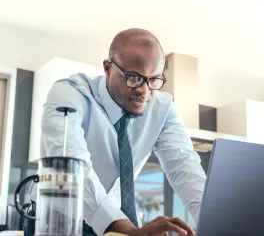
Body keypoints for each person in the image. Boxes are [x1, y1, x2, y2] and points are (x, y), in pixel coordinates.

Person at [40, 28, 206, 236]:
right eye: (134, 77)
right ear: (108, 68)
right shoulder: (70, 94)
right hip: (57, 224)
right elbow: (71, 165)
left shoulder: (162, 108)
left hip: (116, 227)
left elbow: (183, 165)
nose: (144, 91)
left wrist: (216, 221)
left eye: (154, 80)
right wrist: (128, 230)